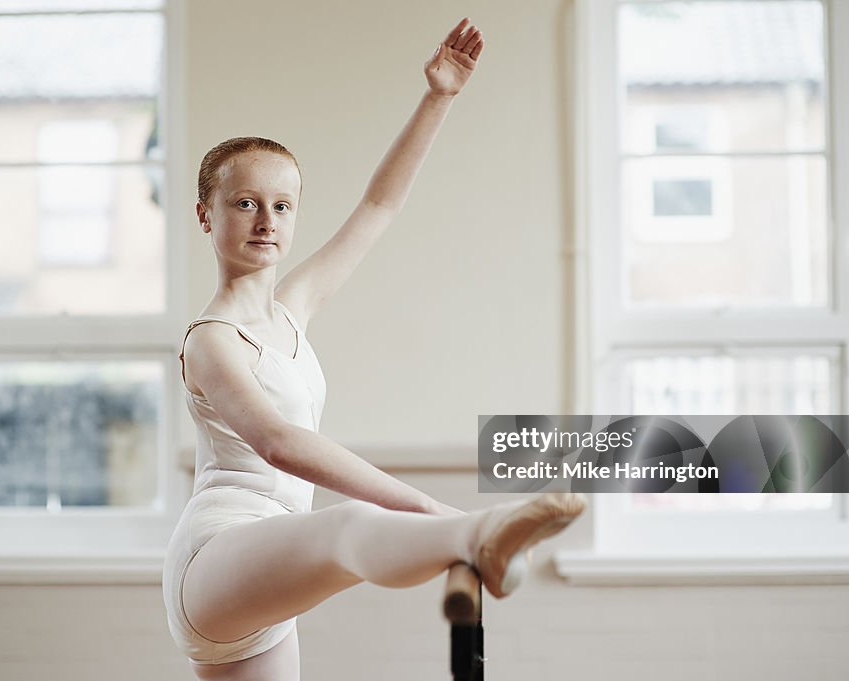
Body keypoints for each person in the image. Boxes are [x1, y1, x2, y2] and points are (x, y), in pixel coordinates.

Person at [162, 18, 586, 681]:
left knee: (332, 533)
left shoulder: (291, 309)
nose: (267, 219)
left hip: (274, 555)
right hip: (219, 552)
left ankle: (473, 529)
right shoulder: (212, 342)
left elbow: (380, 205)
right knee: (345, 528)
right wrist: (427, 507)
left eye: (282, 204)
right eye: (245, 202)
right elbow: (277, 442)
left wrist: (438, 96)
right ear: (206, 214)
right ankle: (481, 531)